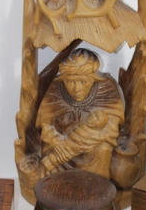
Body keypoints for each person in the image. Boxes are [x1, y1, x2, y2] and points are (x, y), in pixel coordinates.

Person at [35, 48, 125, 179]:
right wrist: (56, 142)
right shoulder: (54, 89)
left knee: (103, 149)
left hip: (93, 146)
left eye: (84, 82)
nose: (77, 89)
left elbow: (113, 123)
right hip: (61, 149)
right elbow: (45, 124)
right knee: (52, 158)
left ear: (94, 78)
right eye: (70, 82)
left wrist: (92, 138)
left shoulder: (107, 87)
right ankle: (56, 188)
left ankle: (97, 188)